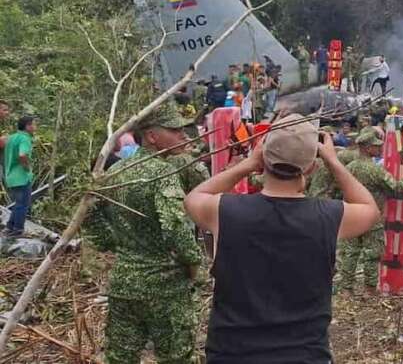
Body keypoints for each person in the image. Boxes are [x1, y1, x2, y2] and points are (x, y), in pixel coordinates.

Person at [184, 113, 380, 363]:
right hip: (304, 355)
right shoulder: (328, 216)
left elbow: (192, 199)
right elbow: (370, 208)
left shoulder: (226, 211)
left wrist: (246, 165)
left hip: (233, 354)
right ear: (311, 166)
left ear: (263, 157)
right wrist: (333, 161)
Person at [85, 104, 201, 363]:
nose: (184, 136)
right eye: (175, 130)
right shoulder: (162, 173)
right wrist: (193, 263)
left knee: (120, 358)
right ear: (151, 136)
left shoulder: (116, 172)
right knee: (176, 357)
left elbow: (88, 212)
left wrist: (114, 242)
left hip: (124, 283)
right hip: (165, 287)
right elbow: (175, 226)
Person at [337, 127, 403, 293]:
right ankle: (369, 288)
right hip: (372, 218)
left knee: (350, 253)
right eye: (376, 146)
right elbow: (396, 187)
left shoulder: (349, 168)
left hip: (351, 216)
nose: (380, 149)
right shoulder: (375, 169)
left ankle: (346, 288)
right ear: (367, 148)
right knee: (372, 255)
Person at [4, 116, 37, 237]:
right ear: (28, 126)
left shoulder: (11, 138)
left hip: (10, 176)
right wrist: (27, 167)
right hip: (21, 177)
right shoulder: (25, 138)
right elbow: (22, 155)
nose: (35, 127)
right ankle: (18, 230)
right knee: (23, 205)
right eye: (34, 124)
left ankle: (9, 227)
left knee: (18, 203)